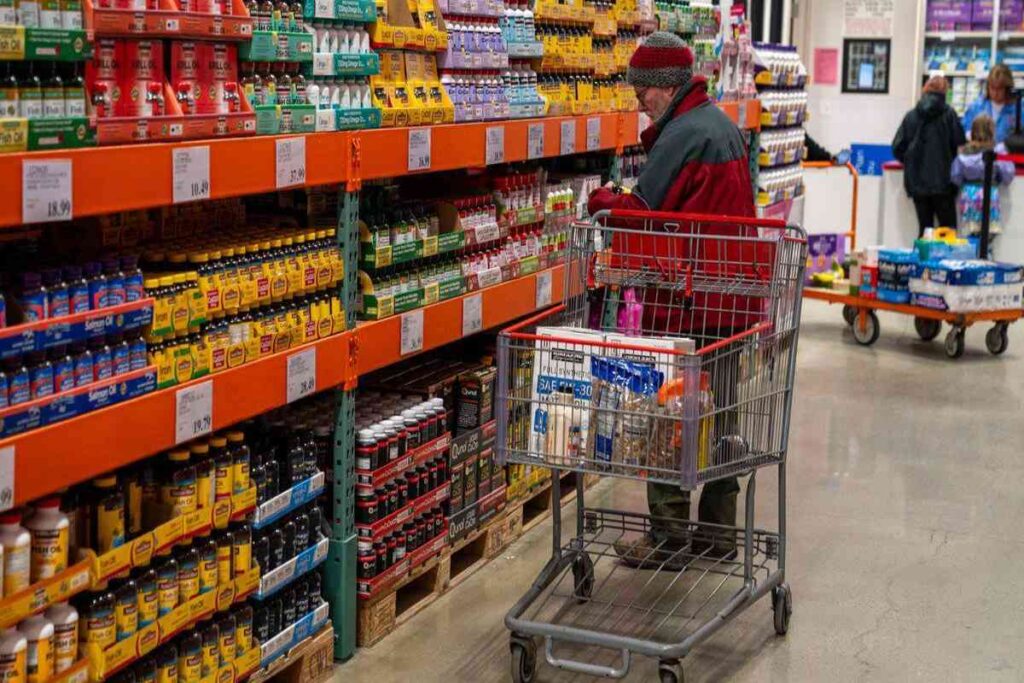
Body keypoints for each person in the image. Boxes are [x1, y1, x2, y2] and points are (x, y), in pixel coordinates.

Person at [587, 32, 755, 566]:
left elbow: (640, 212)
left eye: (643, 91)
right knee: (723, 415)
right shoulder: (721, 125)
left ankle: (669, 536)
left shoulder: (683, 134)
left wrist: (602, 199)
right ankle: (720, 534)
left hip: (688, 303)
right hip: (732, 300)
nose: (639, 101)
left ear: (665, 86)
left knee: (671, 417)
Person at [892, 76, 966, 237]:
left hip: (918, 184)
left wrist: (911, 162)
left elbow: (897, 147)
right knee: (948, 232)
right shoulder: (949, 115)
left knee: (925, 231)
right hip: (944, 183)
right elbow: (960, 141)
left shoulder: (911, 116)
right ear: (945, 92)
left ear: (925, 90)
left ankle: (922, 261)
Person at [951, 114, 1015, 257]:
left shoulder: (964, 153)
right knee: (988, 237)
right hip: (989, 195)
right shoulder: (997, 152)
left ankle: (971, 261)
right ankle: (987, 260)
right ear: (992, 131)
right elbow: (1008, 175)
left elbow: (955, 177)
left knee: (971, 236)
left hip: (970, 196)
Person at [963, 64, 1017, 144]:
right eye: (992, 88)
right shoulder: (976, 107)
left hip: (1008, 155)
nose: (995, 93)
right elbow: (965, 130)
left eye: (999, 89)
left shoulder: (1018, 110)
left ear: (1008, 89)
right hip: (980, 154)